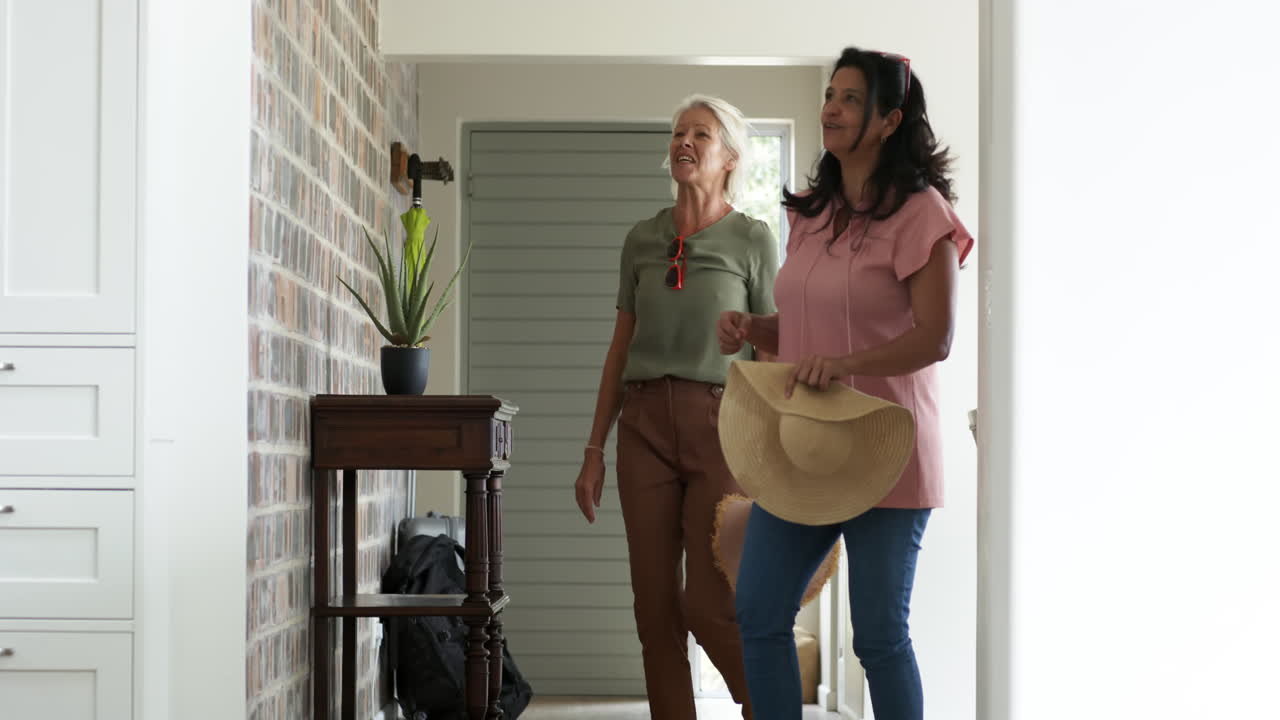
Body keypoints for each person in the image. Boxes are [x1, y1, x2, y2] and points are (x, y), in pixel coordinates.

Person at [718, 47, 974, 720]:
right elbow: (813, 327)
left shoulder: (924, 213)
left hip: (889, 452)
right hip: (807, 447)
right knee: (759, 612)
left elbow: (936, 337)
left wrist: (844, 363)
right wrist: (756, 327)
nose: (831, 107)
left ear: (890, 120)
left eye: (851, 98)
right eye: (830, 94)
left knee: (880, 638)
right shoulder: (811, 214)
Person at [572, 94, 778, 720]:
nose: (684, 142)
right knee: (654, 607)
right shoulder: (641, 239)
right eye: (678, 133)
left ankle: (770, 706)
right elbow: (620, 347)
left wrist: (774, 450)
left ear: (729, 158)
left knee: (709, 605)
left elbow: (772, 349)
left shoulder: (752, 239)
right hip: (643, 429)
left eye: (701, 134)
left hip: (722, 427)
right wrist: (593, 450)